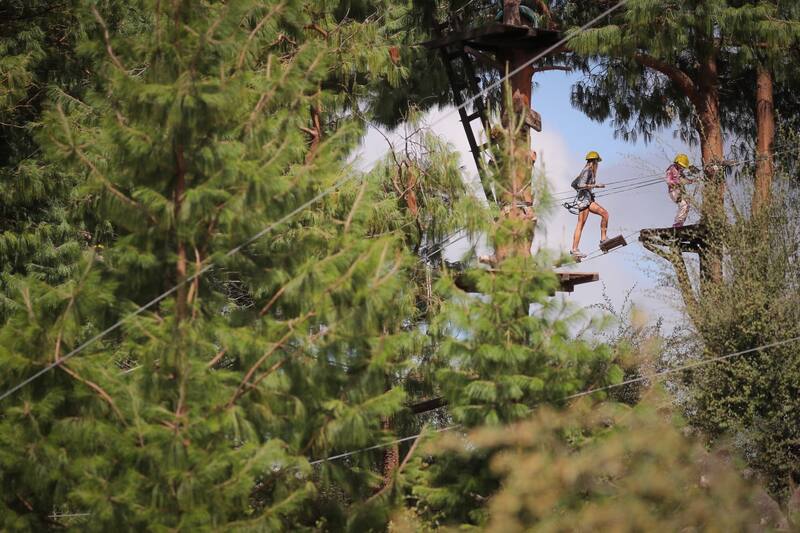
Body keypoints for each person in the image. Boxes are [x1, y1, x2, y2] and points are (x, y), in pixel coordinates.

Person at [569, 151, 608, 259]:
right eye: (597, 162)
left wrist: (586, 190)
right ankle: (574, 250)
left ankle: (603, 240)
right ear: (594, 162)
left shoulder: (586, 171)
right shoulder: (588, 171)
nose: (597, 164)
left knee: (605, 214)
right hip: (584, 200)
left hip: (588, 199)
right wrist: (596, 185)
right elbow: (580, 185)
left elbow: (574, 184)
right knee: (580, 224)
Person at [665, 154, 699, 228]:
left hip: (681, 191)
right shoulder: (671, 169)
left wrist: (692, 180)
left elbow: (685, 179)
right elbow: (668, 181)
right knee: (684, 205)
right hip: (674, 191)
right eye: (681, 166)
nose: (682, 168)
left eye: (683, 167)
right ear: (677, 163)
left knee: (687, 205)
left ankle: (680, 223)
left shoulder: (680, 171)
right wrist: (678, 182)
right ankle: (677, 223)